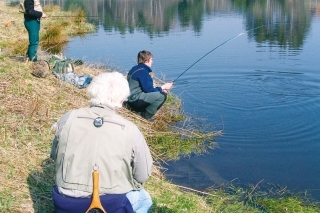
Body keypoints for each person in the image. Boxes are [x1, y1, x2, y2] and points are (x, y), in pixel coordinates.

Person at [50, 72, 153, 213]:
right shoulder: (130, 129)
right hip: (110, 205)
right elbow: (143, 174)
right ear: (122, 101)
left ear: (93, 92)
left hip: (66, 203)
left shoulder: (68, 118)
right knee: (144, 198)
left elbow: (55, 155)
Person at [126, 50, 173, 122]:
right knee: (162, 95)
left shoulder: (135, 68)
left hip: (130, 99)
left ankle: (139, 110)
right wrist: (163, 87)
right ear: (146, 60)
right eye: (151, 59)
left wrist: (159, 89)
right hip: (134, 100)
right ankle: (146, 116)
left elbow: (146, 89)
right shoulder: (143, 72)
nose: (152, 61)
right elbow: (149, 90)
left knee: (159, 92)